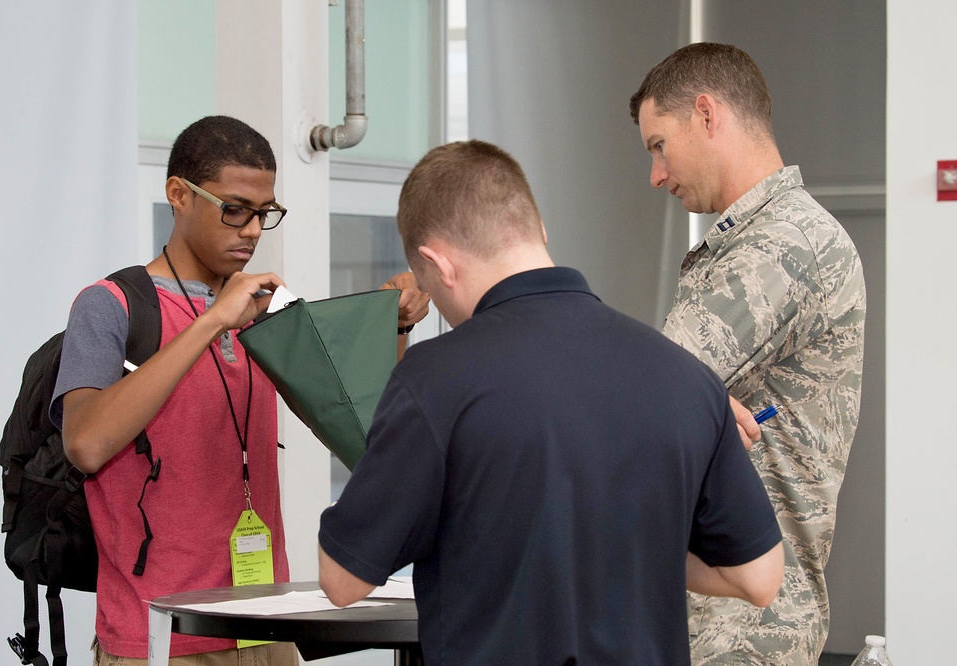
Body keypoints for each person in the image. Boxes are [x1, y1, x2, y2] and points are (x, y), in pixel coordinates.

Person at [317, 139, 784, 665]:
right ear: (540, 230)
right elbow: (758, 577)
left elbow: (341, 580)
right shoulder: (687, 378)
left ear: (437, 264)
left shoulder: (436, 378)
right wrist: (621, 540)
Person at [52, 115, 429, 665]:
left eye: (264, 214)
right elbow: (85, 444)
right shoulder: (111, 305)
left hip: (265, 629)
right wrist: (210, 322)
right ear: (178, 195)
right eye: (234, 209)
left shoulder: (265, 311)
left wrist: (394, 326)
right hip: (160, 636)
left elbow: (363, 431)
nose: (251, 230)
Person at [629, 42, 867, 664]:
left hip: (742, 631)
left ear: (707, 115)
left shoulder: (787, 245)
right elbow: (661, 391)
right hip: (716, 614)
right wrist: (698, 403)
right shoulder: (749, 245)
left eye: (658, 144)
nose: (655, 174)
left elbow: (636, 393)